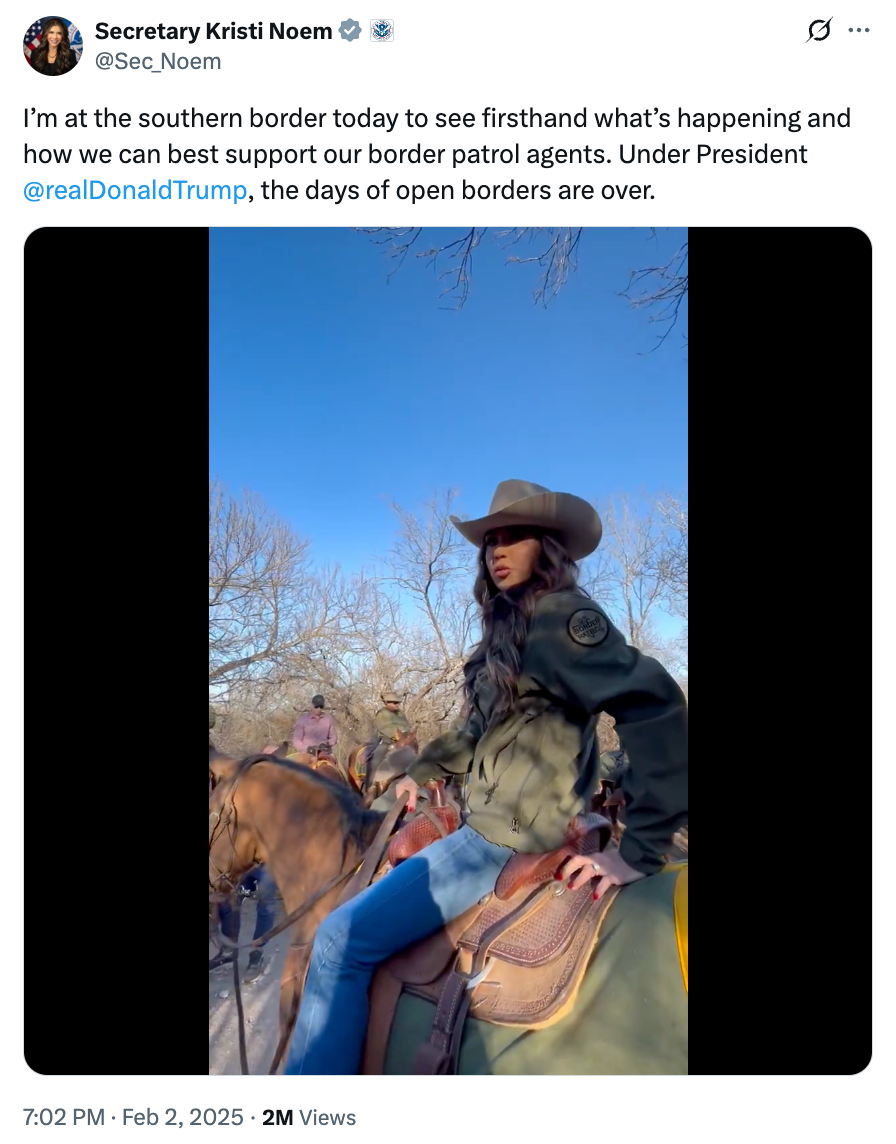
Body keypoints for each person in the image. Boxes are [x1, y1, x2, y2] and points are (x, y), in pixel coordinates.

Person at [284, 478, 688, 1075]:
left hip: (500, 840)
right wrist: (420, 770)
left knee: (340, 940)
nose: (497, 550)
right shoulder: (514, 626)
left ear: (547, 547)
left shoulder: (562, 621)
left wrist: (645, 848)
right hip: (492, 824)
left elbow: (654, 706)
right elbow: (476, 731)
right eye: (490, 540)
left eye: (514, 537)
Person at [209, 866, 277, 983]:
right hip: (242, 857)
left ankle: (257, 951)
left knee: (265, 904)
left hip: (268, 861)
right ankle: (229, 951)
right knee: (228, 898)